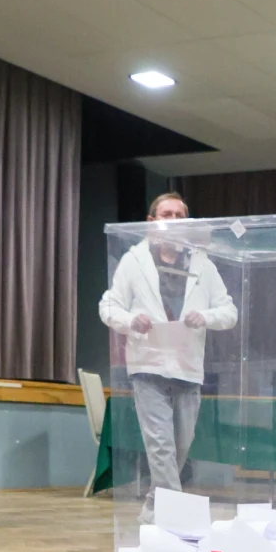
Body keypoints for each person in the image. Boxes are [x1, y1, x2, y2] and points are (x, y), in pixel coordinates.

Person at [99, 193, 238, 523]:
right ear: (152, 222)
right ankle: (177, 517)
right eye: (167, 214)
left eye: (180, 215)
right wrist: (131, 321)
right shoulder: (133, 262)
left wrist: (204, 316)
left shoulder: (203, 265)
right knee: (159, 446)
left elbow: (229, 311)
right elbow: (108, 306)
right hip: (148, 365)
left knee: (180, 446)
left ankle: (154, 504)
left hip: (188, 368)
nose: (173, 220)